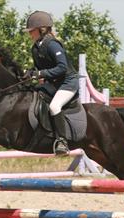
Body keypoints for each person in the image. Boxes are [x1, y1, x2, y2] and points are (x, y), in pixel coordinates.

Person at [24, 11, 79, 155]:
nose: (30, 33)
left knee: (55, 106)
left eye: (32, 30)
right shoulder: (35, 47)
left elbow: (62, 67)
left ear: (41, 29)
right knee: (35, 96)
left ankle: (62, 141)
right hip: (54, 83)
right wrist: (30, 73)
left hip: (68, 83)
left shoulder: (53, 45)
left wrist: (40, 74)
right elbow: (39, 68)